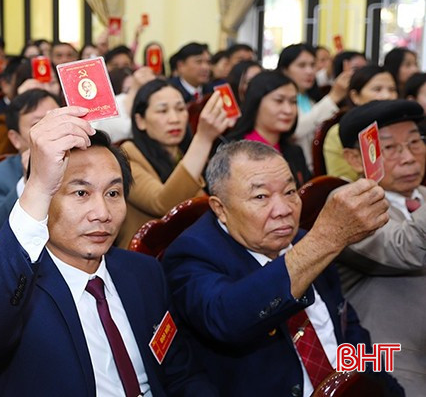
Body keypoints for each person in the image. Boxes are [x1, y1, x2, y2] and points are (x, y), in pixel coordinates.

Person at [0, 108, 217, 396]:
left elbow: (182, 374)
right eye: (81, 193)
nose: (102, 213)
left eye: (113, 193)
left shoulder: (144, 272)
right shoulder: (13, 287)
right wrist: (38, 187)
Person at [162, 140, 402, 397]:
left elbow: (348, 329)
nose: (284, 210)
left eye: (290, 191)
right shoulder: (191, 254)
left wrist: (387, 390)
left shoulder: (303, 241)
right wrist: (325, 240)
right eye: (261, 197)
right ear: (220, 208)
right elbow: (228, 319)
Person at [337, 99, 426, 394]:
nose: (409, 158)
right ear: (353, 158)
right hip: (389, 358)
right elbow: (407, 249)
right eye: (389, 148)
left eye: (415, 142)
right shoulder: (349, 204)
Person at [118, 79, 234, 246]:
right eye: (162, 111)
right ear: (140, 121)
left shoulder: (183, 153)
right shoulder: (128, 154)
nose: (174, 119)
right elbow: (163, 205)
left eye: (180, 109)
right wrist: (203, 139)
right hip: (148, 254)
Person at [0, 89, 59, 243]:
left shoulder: (89, 162)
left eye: (57, 119)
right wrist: (28, 182)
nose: (52, 129)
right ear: (15, 139)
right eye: (38, 124)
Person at [224, 70, 311, 185]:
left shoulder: (294, 152)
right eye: (279, 101)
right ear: (256, 102)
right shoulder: (231, 151)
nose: (288, 110)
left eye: (293, 101)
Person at [277, 43, 349, 171]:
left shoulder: (310, 97)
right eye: (302, 65)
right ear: (285, 70)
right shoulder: (278, 99)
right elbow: (295, 130)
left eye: (312, 65)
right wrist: (333, 97)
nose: (309, 71)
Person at [323, 65, 397, 180]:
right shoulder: (338, 134)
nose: (387, 96)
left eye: (392, 90)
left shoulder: (402, 127)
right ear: (355, 96)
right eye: (377, 89)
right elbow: (342, 183)